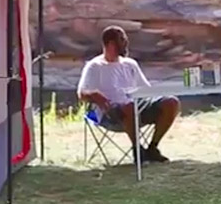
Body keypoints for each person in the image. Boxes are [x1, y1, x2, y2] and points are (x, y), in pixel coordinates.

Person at [76, 25, 180, 163]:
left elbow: (146, 89)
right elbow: (81, 93)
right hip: (111, 113)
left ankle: (152, 149)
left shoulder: (130, 64)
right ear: (111, 44)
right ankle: (137, 150)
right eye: (122, 40)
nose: (125, 43)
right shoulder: (95, 66)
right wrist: (93, 95)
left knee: (171, 102)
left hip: (137, 107)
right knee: (129, 106)